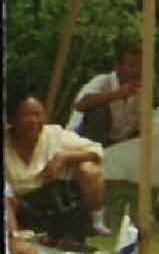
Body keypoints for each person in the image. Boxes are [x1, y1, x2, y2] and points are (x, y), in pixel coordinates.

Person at [6, 94, 107, 244]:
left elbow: (97, 151)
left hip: (52, 203)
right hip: (15, 206)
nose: (34, 121)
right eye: (26, 115)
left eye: (38, 114)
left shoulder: (53, 134)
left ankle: (96, 223)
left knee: (90, 170)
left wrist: (63, 157)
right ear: (12, 120)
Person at [67, 41, 143, 146]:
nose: (138, 71)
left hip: (114, 143)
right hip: (81, 140)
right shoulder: (103, 81)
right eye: (132, 66)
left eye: (142, 66)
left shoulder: (141, 92)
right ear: (118, 67)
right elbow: (79, 105)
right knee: (98, 110)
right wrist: (118, 94)